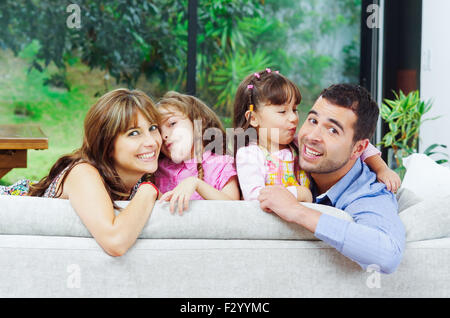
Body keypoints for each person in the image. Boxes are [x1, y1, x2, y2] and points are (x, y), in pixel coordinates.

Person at [257, 84, 406, 274]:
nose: (312, 136)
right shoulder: (289, 149)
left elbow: (387, 255)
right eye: (312, 120)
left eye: (333, 130)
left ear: (358, 149)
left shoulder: (368, 195)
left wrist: (297, 211)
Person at [7, 88, 162, 257]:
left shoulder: (139, 179)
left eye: (153, 128)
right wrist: (148, 190)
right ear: (107, 144)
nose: (151, 141)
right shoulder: (83, 173)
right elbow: (115, 242)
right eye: (134, 133)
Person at [233, 69, 400, 202]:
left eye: (295, 110)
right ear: (253, 118)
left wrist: (381, 168)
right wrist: (300, 194)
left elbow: (360, 146)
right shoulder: (250, 154)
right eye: (282, 112)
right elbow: (254, 198)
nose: (293, 118)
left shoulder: (296, 143)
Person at [154, 91, 240, 214]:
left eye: (172, 123)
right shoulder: (158, 169)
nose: (164, 135)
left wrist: (196, 184)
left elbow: (235, 210)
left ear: (200, 122)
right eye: (158, 130)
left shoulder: (222, 165)